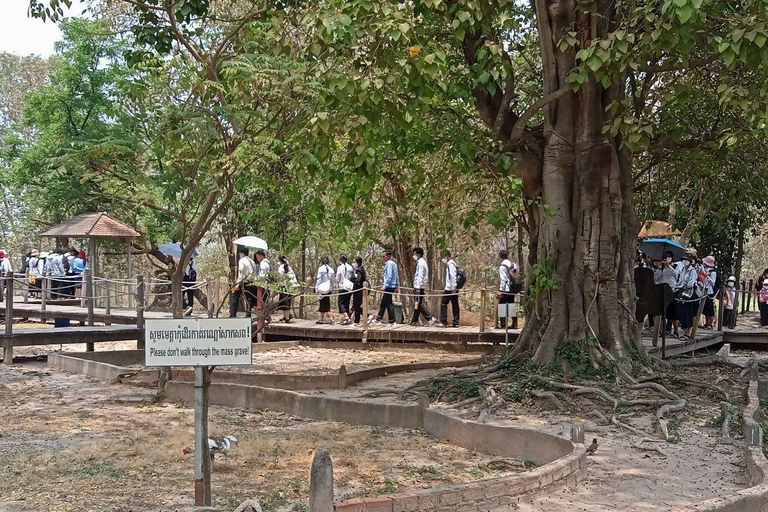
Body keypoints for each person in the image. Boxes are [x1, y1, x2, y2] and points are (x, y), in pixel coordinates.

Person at [675, 253, 698, 339]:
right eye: (684, 260)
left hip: (689, 294)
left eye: (686, 260)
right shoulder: (682, 270)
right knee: (680, 312)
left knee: (688, 313)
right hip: (681, 294)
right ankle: (683, 331)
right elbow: (679, 280)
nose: (685, 262)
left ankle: (688, 333)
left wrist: (683, 286)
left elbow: (691, 283)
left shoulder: (692, 271)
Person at [230, 247, 258, 318]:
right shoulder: (252, 261)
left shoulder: (242, 261)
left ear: (242, 253)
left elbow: (241, 272)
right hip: (252, 281)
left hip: (244, 281)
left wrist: (237, 284)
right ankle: (248, 315)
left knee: (235, 295)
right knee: (249, 298)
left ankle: (232, 314)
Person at [410, 247, 435, 326]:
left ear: (418, 254)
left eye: (414, 254)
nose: (413, 256)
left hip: (419, 287)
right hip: (419, 286)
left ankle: (429, 318)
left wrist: (418, 287)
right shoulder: (420, 262)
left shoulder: (421, 263)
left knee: (418, 303)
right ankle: (414, 321)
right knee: (417, 303)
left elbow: (420, 276)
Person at [373, 250, 399, 325]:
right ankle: (379, 319)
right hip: (392, 286)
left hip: (389, 286)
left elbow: (390, 276)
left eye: (384, 256)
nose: (383, 258)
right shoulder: (394, 264)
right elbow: (396, 276)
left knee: (388, 304)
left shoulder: (389, 264)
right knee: (384, 303)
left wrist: (385, 286)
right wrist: (396, 286)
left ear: (388, 256)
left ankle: (392, 321)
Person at [497, 250, 518, 329]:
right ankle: (514, 323)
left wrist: (500, 290)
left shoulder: (502, 266)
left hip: (505, 289)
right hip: (512, 288)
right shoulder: (513, 264)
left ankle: (503, 324)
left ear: (500, 256)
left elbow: (503, 279)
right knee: (511, 305)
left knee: (502, 305)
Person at [440, 250, 460, 327]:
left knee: (443, 304)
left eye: (444, 256)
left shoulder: (450, 264)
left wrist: (454, 287)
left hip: (450, 288)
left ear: (448, 256)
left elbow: (453, 276)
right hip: (452, 287)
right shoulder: (452, 264)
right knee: (455, 304)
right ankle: (455, 321)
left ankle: (444, 320)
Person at [276, 255, 298, 323]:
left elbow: (280, 278)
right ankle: (286, 316)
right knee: (287, 301)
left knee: (284, 302)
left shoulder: (281, 268)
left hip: (285, 286)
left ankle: (287, 318)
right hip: (291, 286)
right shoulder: (288, 267)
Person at [700, 255, 718, 329]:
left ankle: (710, 323)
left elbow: (713, 282)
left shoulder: (713, 272)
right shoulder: (705, 269)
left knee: (710, 308)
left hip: (709, 292)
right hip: (704, 291)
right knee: (705, 308)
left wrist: (707, 276)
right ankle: (707, 323)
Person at [315, 256, 335, 324]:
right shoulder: (331, 269)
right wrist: (331, 288)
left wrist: (316, 288)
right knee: (324, 303)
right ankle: (321, 318)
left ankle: (331, 317)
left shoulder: (320, 269)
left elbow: (319, 279)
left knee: (324, 304)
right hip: (328, 288)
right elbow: (332, 280)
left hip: (322, 288)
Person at [336, 255, 354, 325]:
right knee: (347, 302)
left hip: (342, 286)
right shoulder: (350, 267)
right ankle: (346, 319)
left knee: (340, 303)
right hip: (349, 287)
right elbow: (353, 276)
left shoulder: (340, 267)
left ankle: (346, 317)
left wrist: (338, 282)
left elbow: (338, 277)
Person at [254, 249, 271, 324]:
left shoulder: (263, 264)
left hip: (264, 285)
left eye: (258, 257)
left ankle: (265, 317)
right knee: (265, 301)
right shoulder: (267, 263)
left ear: (261, 256)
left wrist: (257, 280)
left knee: (263, 301)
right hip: (266, 285)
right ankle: (266, 317)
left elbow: (262, 275)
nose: (257, 259)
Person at [350, 257, 367, 327]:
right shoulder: (361, 268)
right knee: (356, 305)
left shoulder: (359, 270)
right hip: (359, 289)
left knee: (356, 305)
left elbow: (358, 280)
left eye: (354, 262)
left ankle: (357, 321)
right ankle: (367, 316)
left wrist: (352, 279)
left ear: (357, 262)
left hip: (358, 290)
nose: (353, 263)